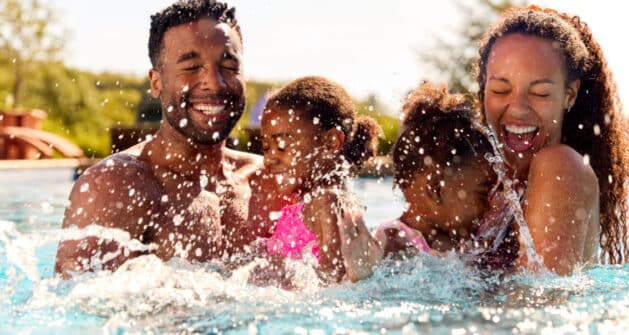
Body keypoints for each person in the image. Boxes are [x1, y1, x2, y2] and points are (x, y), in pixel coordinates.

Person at [55, 0, 262, 278]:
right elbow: (77, 310)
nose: (215, 82)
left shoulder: (267, 179)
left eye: (228, 65)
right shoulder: (116, 185)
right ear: (156, 82)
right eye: (191, 67)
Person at [474, 5, 629, 274]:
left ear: (570, 95)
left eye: (540, 93)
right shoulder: (487, 182)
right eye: (501, 90)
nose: (518, 109)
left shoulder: (560, 166)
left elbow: (540, 304)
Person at [258, 76, 383, 283]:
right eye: (265, 148)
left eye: (281, 146)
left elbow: (333, 281)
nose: (269, 158)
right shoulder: (315, 201)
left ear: (331, 142)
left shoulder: (326, 203)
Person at [375, 82, 501, 259]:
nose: (489, 205)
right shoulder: (395, 242)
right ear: (435, 188)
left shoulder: (456, 245)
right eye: (482, 193)